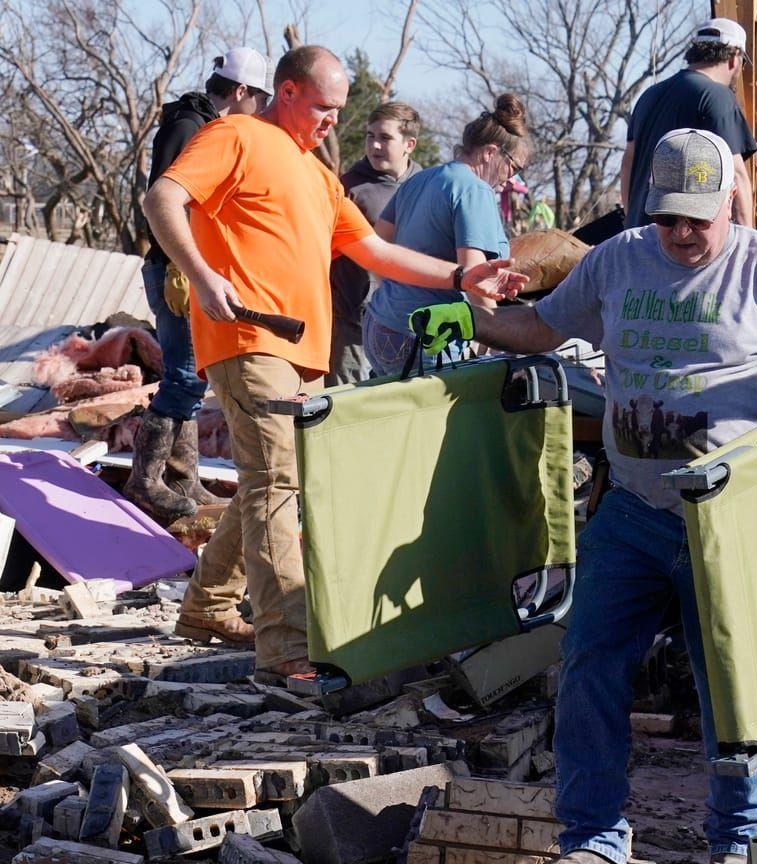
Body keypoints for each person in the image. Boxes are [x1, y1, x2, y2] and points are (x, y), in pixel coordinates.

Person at [408, 128, 757, 864]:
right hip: (633, 509)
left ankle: (739, 846)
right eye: (668, 218)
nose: (681, 234)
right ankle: (593, 842)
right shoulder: (618, 258)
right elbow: (544, 327)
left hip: (729, 519)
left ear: (728, 203)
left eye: (696, 219)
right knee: (591, 667)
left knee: (733, 686)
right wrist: (471, 323)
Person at [142, 45, 527, 685]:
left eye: (339, 110)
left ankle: (208, 603)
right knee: (277, 486)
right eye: (324, 107)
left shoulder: (319, 173)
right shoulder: (234, 134)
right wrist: (201, 274)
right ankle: (287, 648)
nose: (332, 121)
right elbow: (163, 199)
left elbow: (376, 250)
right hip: (249, 339)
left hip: (307, 352)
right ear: (286, 91)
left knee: (273, 478)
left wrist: (464, 274)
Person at [128, 47, 273, 535]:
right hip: (178, 270)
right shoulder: (190, 126)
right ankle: (145, 479)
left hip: (187, 267)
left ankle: (183, 480)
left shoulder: (197, 123)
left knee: (191, 375)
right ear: (241, 92)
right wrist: (179, 266)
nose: (260, 110)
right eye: (260, 99)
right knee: (185, 375)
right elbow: (166, 199)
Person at [362, 94, 531, 376]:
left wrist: (399, 294)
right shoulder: (474, 190)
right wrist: (503, 342)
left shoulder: (420, 178)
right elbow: (478, 280)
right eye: (513, 167)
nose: (510, 178)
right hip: (425, 338)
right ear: (490, 152)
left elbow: (378, 247)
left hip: (380, 325)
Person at [621, 18, 757, 231]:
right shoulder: (717, 97)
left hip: (640, 239)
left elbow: (628, 163)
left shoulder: (648, 96)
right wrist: (749, 244)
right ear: (734, 58)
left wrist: (632, 224)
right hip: (683, 244)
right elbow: (737, 174)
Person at [327, 102, 423, 386]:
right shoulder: (348, 188)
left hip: (410, 321)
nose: (375, 145)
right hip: (353, 325)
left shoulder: (426, 184)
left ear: (410, 144)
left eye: (385, 137)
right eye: (370, 136)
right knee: (347, 404)